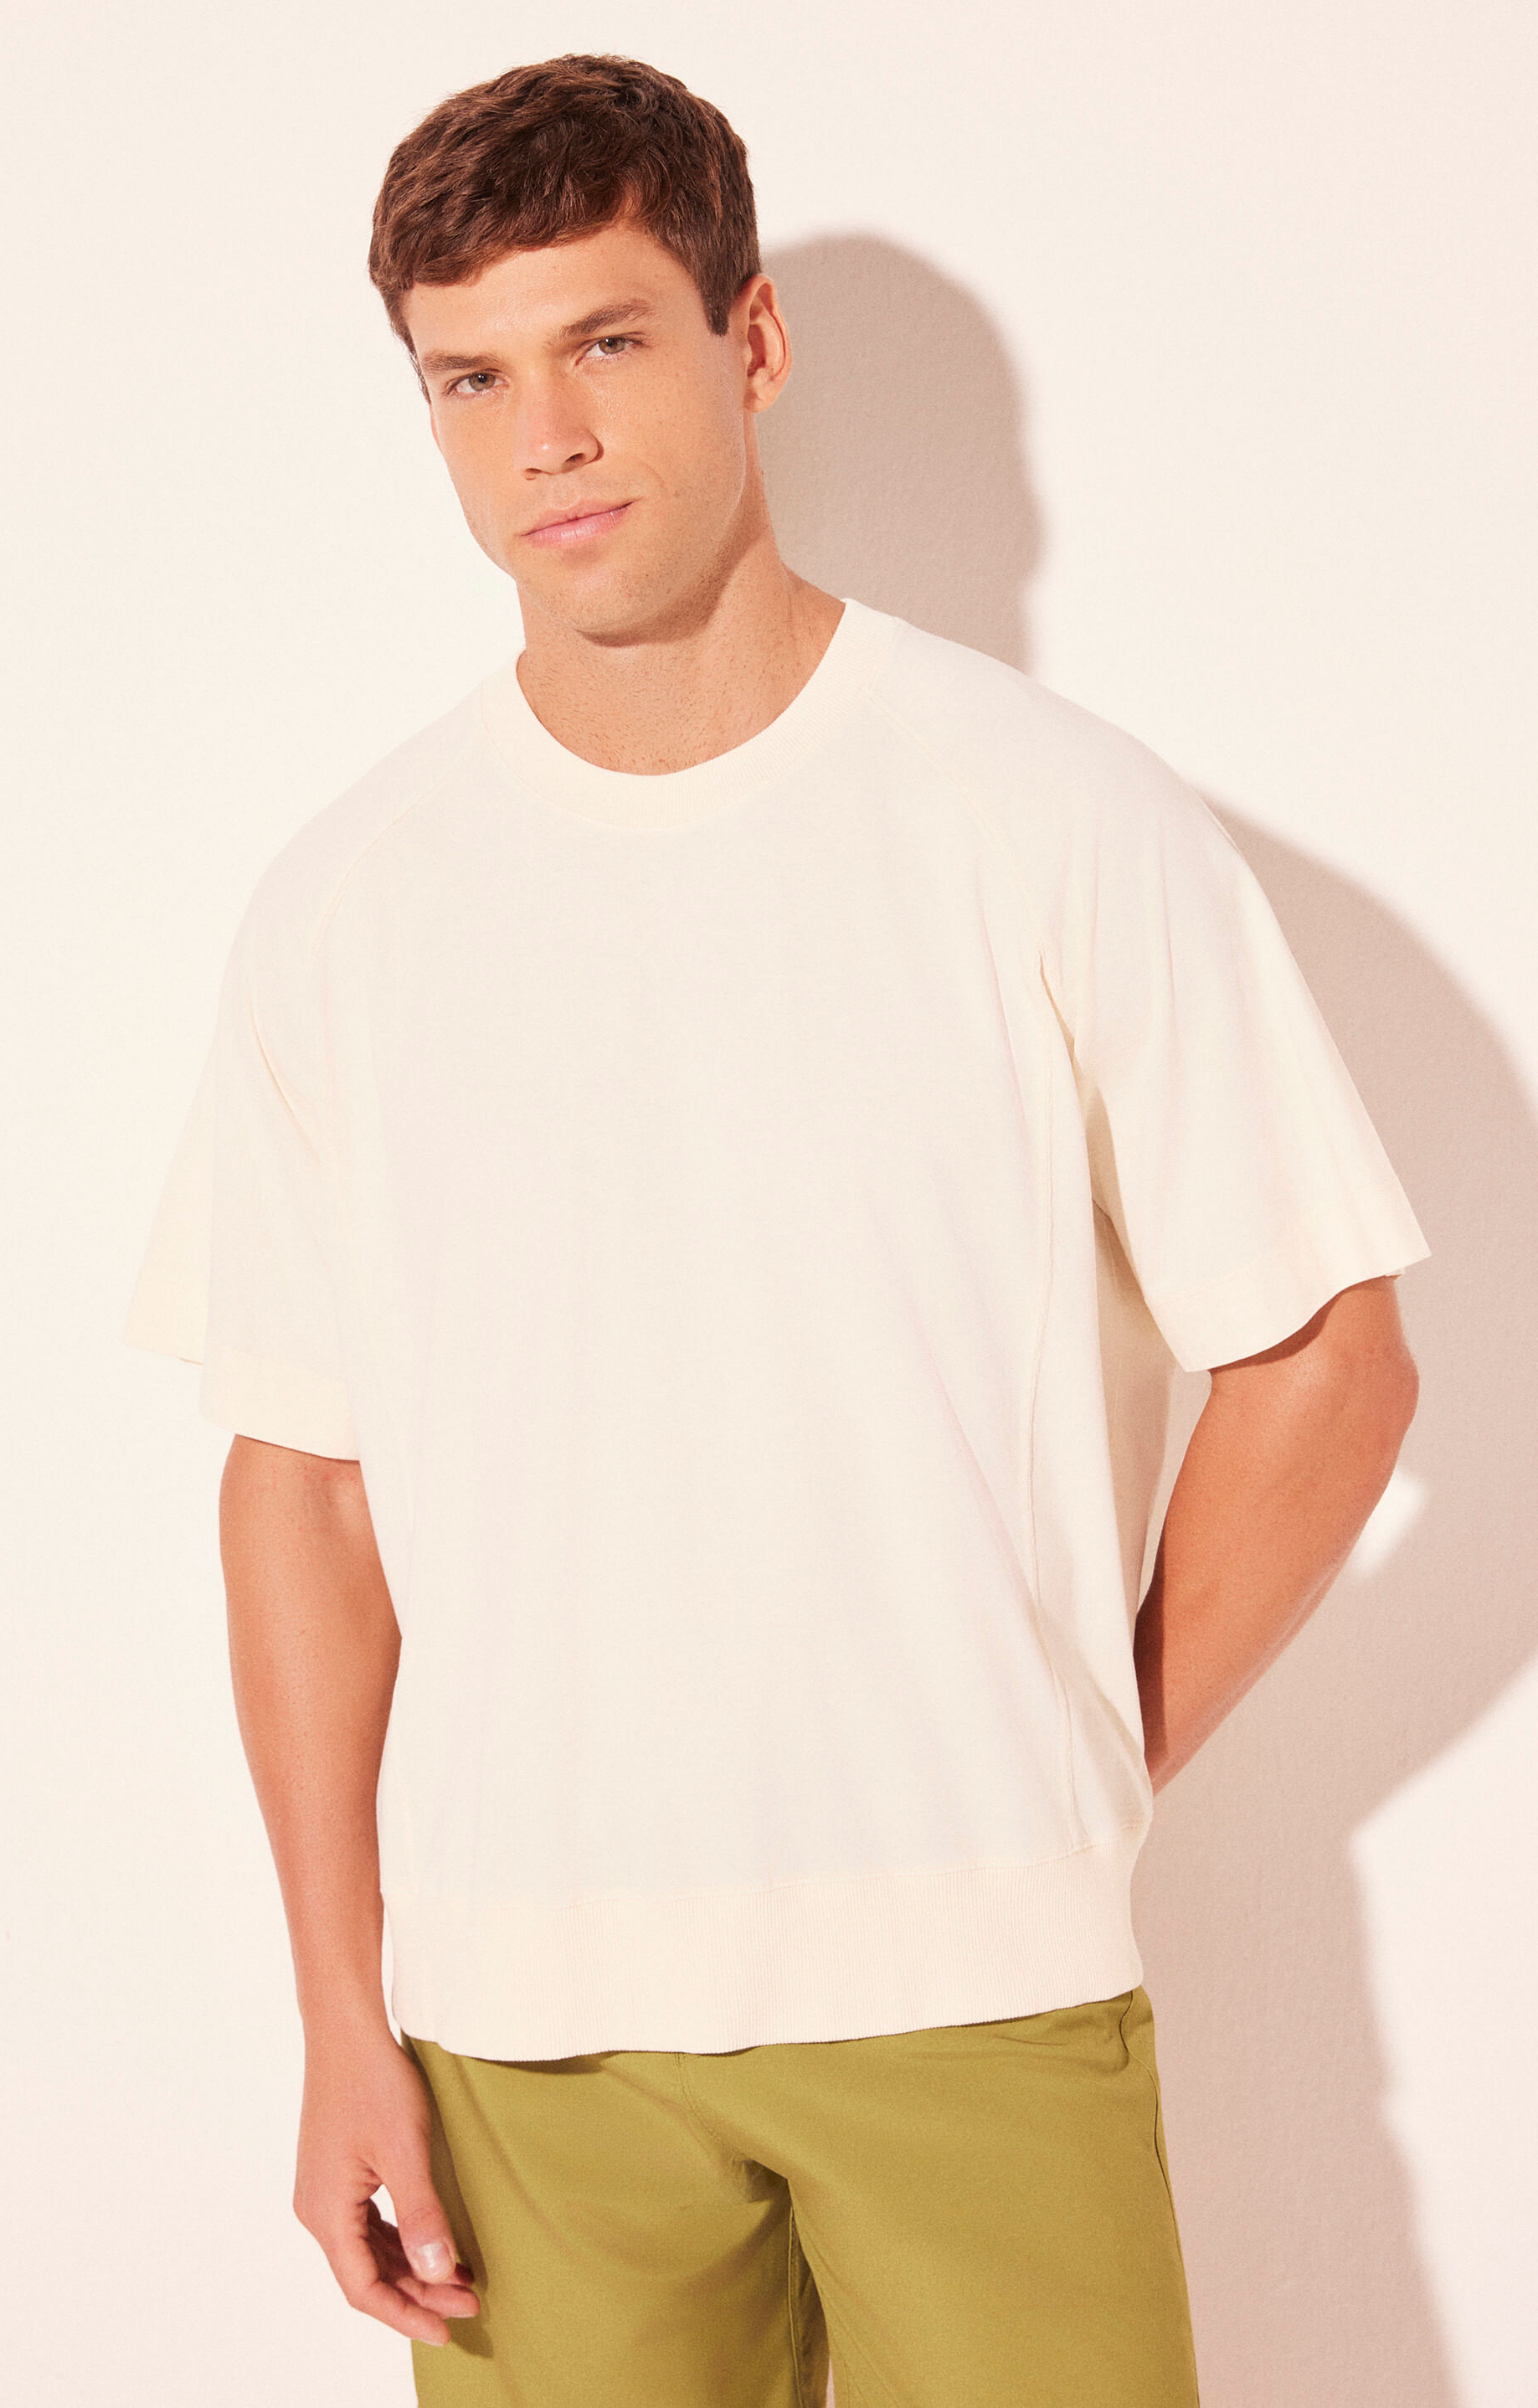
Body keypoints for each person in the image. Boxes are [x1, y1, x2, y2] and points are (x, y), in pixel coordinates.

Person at [123, 51, 1428, 2408]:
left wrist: (1078, 1760)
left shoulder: (1050, 818)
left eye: (607, 341)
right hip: (526, 2039)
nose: (547, 437)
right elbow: (300, 1479)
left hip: (974, 1997)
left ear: (752, 341)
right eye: (471, 379)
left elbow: (1329, 1354)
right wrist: (340, 2013)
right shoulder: (350, 904)